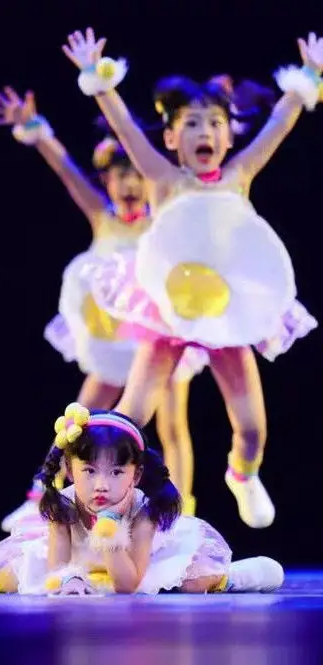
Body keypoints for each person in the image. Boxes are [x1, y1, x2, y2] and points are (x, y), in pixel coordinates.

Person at [60, 28, 321, 528]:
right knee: (130, 417)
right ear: (174, 137)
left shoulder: (238, 175)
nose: (205, 131)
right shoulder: (162, 178)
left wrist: (306, 79)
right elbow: (126, 131)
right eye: (193, 123)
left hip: (225, 313)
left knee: (250, 430)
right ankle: (102, 494)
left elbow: (279, 125)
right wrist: (99, 79)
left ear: (227, 136)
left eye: (215, 123)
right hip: (168, 309)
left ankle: (242, 475)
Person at [0, 87, 206, 531]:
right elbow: (67, 171)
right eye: (118, 176)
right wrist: (35, 130)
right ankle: (43, 497)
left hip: (158, 338)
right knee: (78, 419)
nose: (128, 185)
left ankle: (177, 514)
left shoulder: (163, 220)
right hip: (111, 341)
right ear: (105, 180)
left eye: (136, 176)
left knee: (172, 426)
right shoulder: (102, 218)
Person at [0, 404, 283, 595]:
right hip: (81, 565)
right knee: (22, 578)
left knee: (193, 581)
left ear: (135, 475)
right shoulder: (64, 506)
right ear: (71, 472)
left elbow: (129, 585)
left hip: (135, 568)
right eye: (90, 471)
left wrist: (112, 540)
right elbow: (58, 566)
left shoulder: (144, 512)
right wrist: (69, 580)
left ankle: (230, 578)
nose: (101, 484)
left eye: (116, 473)